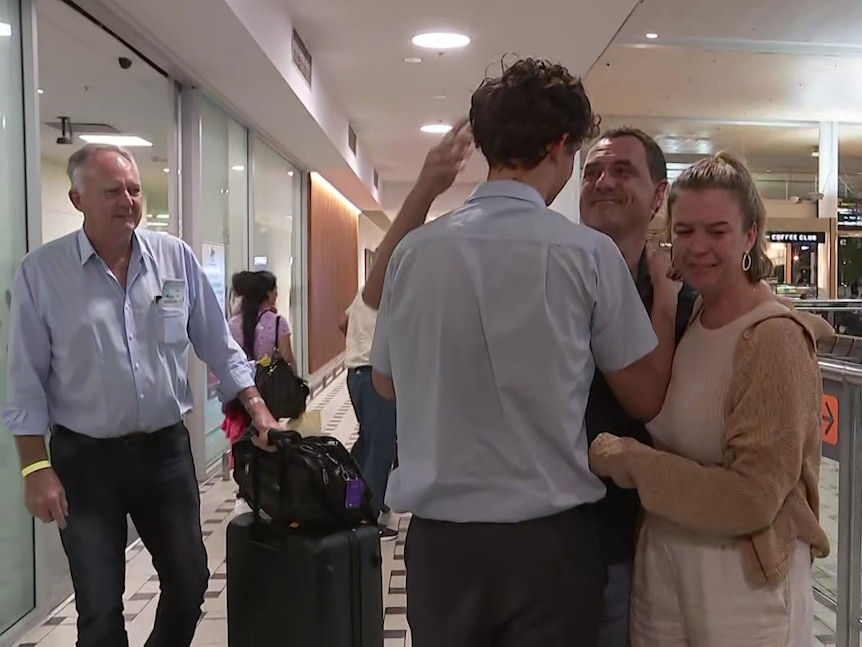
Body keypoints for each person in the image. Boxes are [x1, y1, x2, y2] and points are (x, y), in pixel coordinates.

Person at [369, 57, 679, 647]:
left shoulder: (415, 254)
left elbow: (385, 384)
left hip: (442, 548)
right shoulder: (588, 256)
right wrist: (663, 301)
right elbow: (644, 394)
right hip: (550, 548)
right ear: (561, 146)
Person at [3, 143, 279, 647]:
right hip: (84, 460)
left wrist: (257, 405)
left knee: (191, 580)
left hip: (163, 452)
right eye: (112, 191)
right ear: (77, 197)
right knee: (101, 606)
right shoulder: (42, 274)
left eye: (133, 189)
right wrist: (34, 469)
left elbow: (218, 343)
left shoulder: (174, 258)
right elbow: (25, 380)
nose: (127, 200)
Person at [590, 152, 831, 646]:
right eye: (685, 231)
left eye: (717, 231)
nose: (697, 247)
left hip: (745, 587)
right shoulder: (697, 315)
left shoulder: (773, 340)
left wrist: (631, 460)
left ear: (749, 235)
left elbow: (752, 497)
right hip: (667, 573)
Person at [579, 126, 697, 646]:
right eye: (592, 172)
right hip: (545, 539)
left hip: (635, 539)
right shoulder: (552, 276)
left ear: (658, 196)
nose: (602, 181)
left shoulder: (687, 297)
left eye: (622, 170)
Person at [339, 123, 474, 542]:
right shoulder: (395, 292)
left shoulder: (368, 294)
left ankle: (351, 503)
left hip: (355, 373)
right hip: (374, 377)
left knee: (367, 448)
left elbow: (343, 322)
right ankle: (368, 513)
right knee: (378, 449)